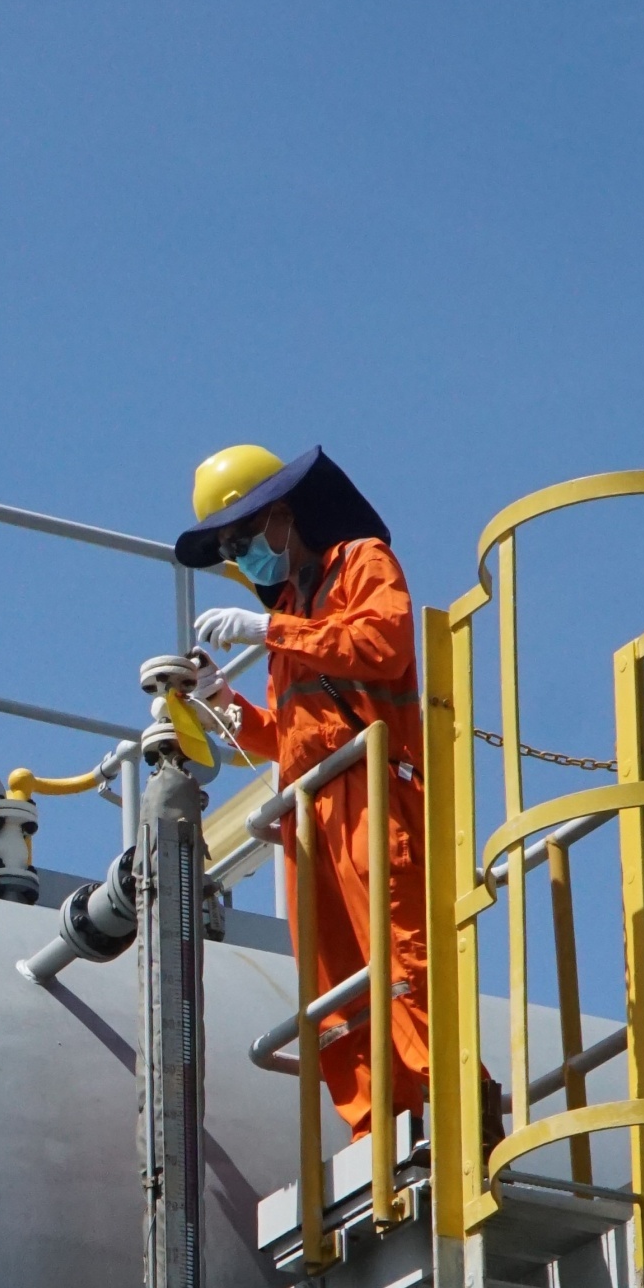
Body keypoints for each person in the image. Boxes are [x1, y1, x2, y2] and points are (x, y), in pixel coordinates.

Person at [175, 443, 431, 1139]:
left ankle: (449, 1099)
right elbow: (289, 736)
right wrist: (219, 701)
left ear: (282, 515)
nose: (241, 556)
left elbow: (384, 645)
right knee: (333, 981)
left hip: (371, 787)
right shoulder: (293, 606)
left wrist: (271, 629)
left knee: (399, 955)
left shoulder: (362, 562)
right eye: (231, 549)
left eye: (243, 539)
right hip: (308, 807)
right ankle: (376, 1127)